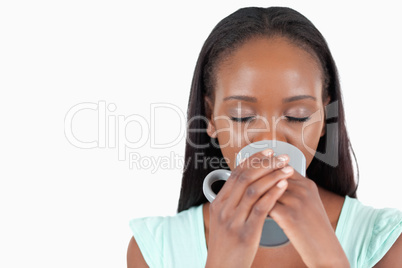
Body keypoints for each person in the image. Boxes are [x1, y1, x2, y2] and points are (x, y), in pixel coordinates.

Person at [127, 6, 402, 267]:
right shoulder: (155, 250)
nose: (271, 141)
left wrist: (330, 260)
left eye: (297, 116)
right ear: (210, 118)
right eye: (242, 116)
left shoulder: (386, 242)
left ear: (325, 119)